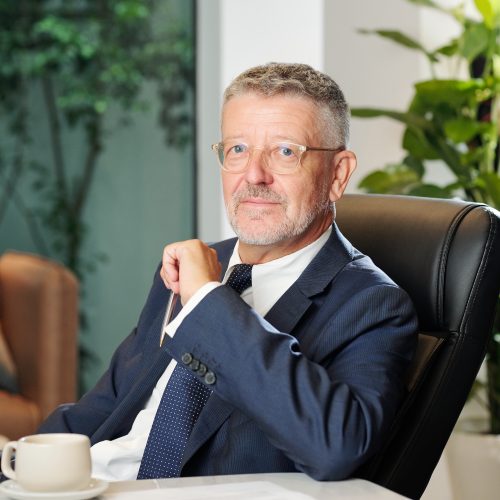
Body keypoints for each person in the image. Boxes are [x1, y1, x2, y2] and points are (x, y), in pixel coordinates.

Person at [38, 62, 418, 481]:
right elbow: (103, 410)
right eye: (238, 149)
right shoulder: (190, 267)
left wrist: (206, 302)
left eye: (285, 151)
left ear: (338, 174)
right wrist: (19, 470)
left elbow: (336, 447)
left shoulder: (372, 305)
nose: (254, 175)